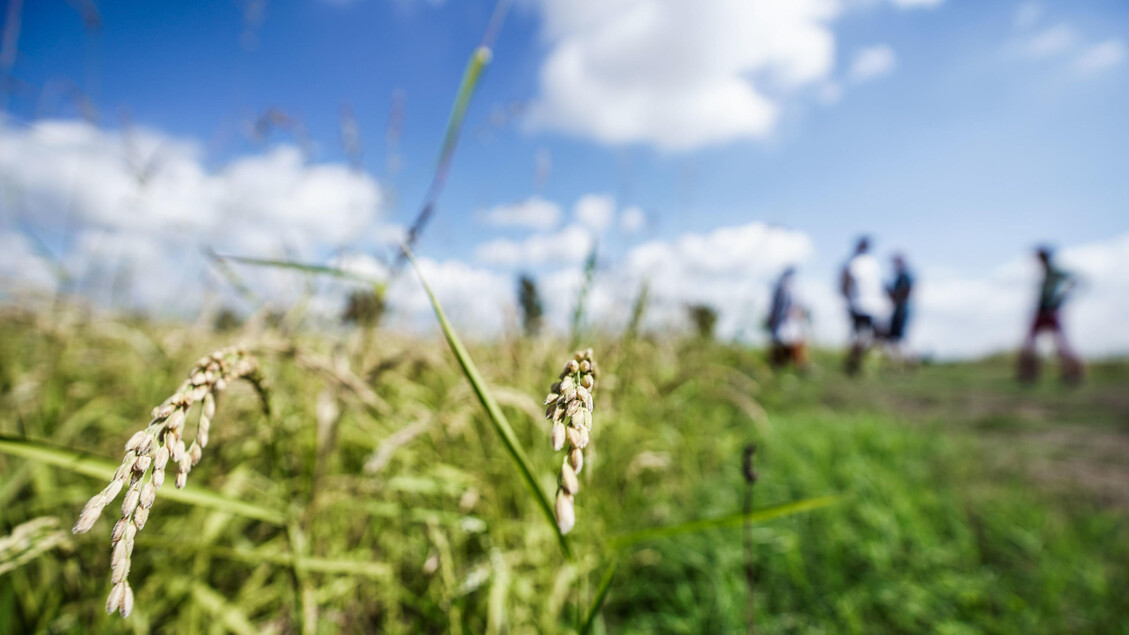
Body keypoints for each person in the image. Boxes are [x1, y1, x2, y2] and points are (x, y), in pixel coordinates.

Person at [1018, 246, 1083, 384]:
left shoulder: (1053, 272)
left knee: (1060, 344)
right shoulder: (1045, 273)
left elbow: (1073, 280)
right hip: (1041, 311)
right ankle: (1028, 374)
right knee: (1032, 343)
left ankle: (1072, 374)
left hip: (1048, 311)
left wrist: (1060, 299)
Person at [839, 237, 886, 374]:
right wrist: (847, 299)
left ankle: (854, 362)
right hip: (858, 305)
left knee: (866, 336)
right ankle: (853, 364)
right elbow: (845, 282)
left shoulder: (872, 263)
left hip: (871, 306)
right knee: (859, 335)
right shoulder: (855, 262)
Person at [766, 267, 809, 369]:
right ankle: (780, 366)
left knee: (794, 343)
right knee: (783, 343)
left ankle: (797, 366)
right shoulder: (782, 288)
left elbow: (799, 307)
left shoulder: (793, 289)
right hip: (782, 322)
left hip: (791, 322)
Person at [884, 253, 914, 364]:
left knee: (898, 338)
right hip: (898, 311)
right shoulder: (901, 277)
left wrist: (890, 292)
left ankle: (906, 362)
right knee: (895, 338)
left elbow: (903, 294)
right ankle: (898, 363)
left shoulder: (905, 277)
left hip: (901, 311)